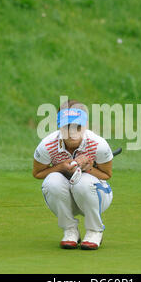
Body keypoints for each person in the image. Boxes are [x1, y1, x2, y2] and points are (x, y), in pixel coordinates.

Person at [32, 100, 114, 250]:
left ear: (85, 126)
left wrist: (89, 168)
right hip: (66, 198)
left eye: (78, 126)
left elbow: (107, 174)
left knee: (83, 181)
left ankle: (94, 231)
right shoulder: (47, 145)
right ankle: (70, 231)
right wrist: (60, 167)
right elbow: (37, 173)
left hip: (97, 196)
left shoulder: (98, 144)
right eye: (66, 126)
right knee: (52, 181)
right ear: (59, 126)